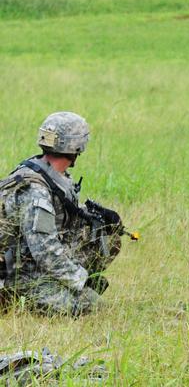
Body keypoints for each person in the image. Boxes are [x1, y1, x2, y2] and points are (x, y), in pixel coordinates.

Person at [0, 112, 122, 316]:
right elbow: (44, 249)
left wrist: (94, 217)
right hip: (16, 272)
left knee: (106, 236)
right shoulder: (34, 190)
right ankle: (12, 297)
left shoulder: (49, 173)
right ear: (76, 147)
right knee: (90, 305)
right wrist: (81, 279)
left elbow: (58, 213)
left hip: (28, 260)